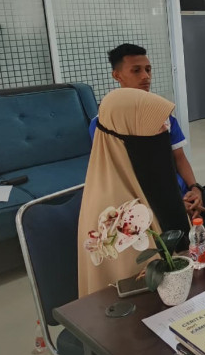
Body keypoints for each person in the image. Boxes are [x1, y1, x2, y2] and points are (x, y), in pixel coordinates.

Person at [90, 43, 205, 238]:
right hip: (148, 200)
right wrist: (174, 204)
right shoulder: (105, 125)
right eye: (136, 70)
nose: (145, 76)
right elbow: (122, 175)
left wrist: (195, 188)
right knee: (191, 234)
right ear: (117, 75)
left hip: (182, 191)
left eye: (148, 69)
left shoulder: (162, 115)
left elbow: (179, 158)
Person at [78, 88, 190, 297]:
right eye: (155, 125)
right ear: (128, 134)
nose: (165, 129)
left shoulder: (144, 175)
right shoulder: (111, 211)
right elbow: (140, 284)